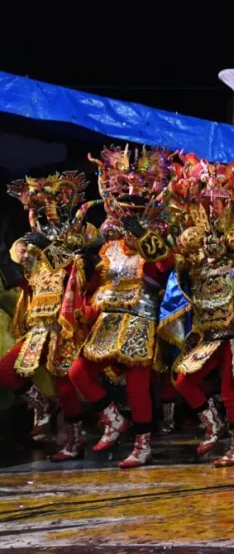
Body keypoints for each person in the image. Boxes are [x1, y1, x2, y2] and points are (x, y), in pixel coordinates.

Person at [67, 146, 175, 468]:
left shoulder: (158, 239)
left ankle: (143, 445)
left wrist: (144, 237)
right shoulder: (110, 247)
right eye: (124, 200)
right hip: (108, 321)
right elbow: (101, 282)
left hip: (140, 319)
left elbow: (165, 267)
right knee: (78, 373)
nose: (129, 206)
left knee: (137, 386)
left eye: (136, 203)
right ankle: (114, 420)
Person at [170, 155, 234, 466]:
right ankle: (213, 425)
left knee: (230, 392)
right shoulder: (195, 256)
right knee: (184, 380)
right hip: (209, 333)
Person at [0, 172, 97, 460]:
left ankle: (75, 442)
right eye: (40, 205)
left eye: (51, 202)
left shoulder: (77, 232)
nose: (45, 209)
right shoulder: (33, 240)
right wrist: (18, 253)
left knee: (66, 385)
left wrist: (44, 245)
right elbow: (22, 271)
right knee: (7, 370)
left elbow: (76, 263)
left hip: (63, 323)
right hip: (39, 323)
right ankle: (42, 404)